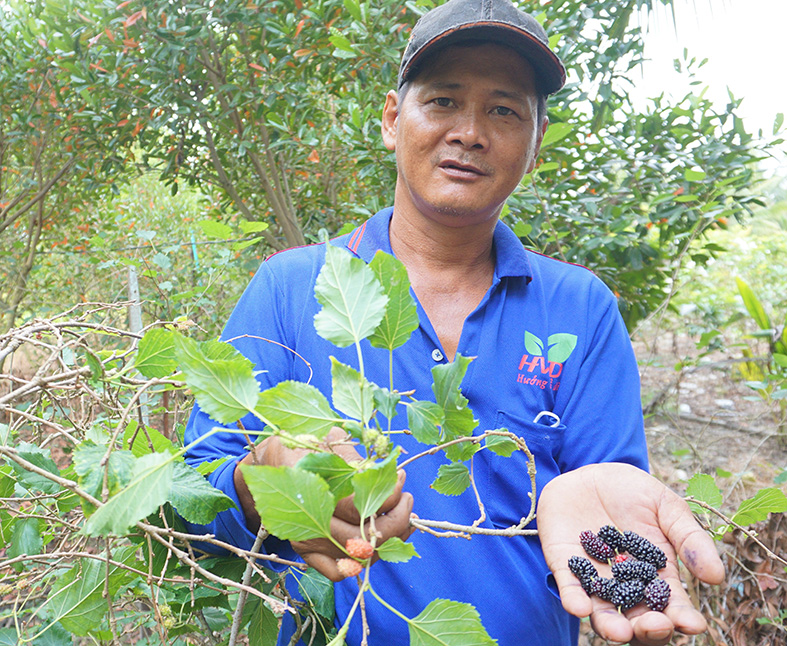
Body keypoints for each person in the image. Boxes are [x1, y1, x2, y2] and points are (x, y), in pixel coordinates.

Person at [183, 0, 725, 644]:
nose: (470, 131)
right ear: (392, 119)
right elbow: (191, 506)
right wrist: (259, 478)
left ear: (535, 145)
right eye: (442, 101)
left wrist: (614, 549)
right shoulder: (290, 287)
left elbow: (606, 501)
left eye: (504, 110)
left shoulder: (581, 308)